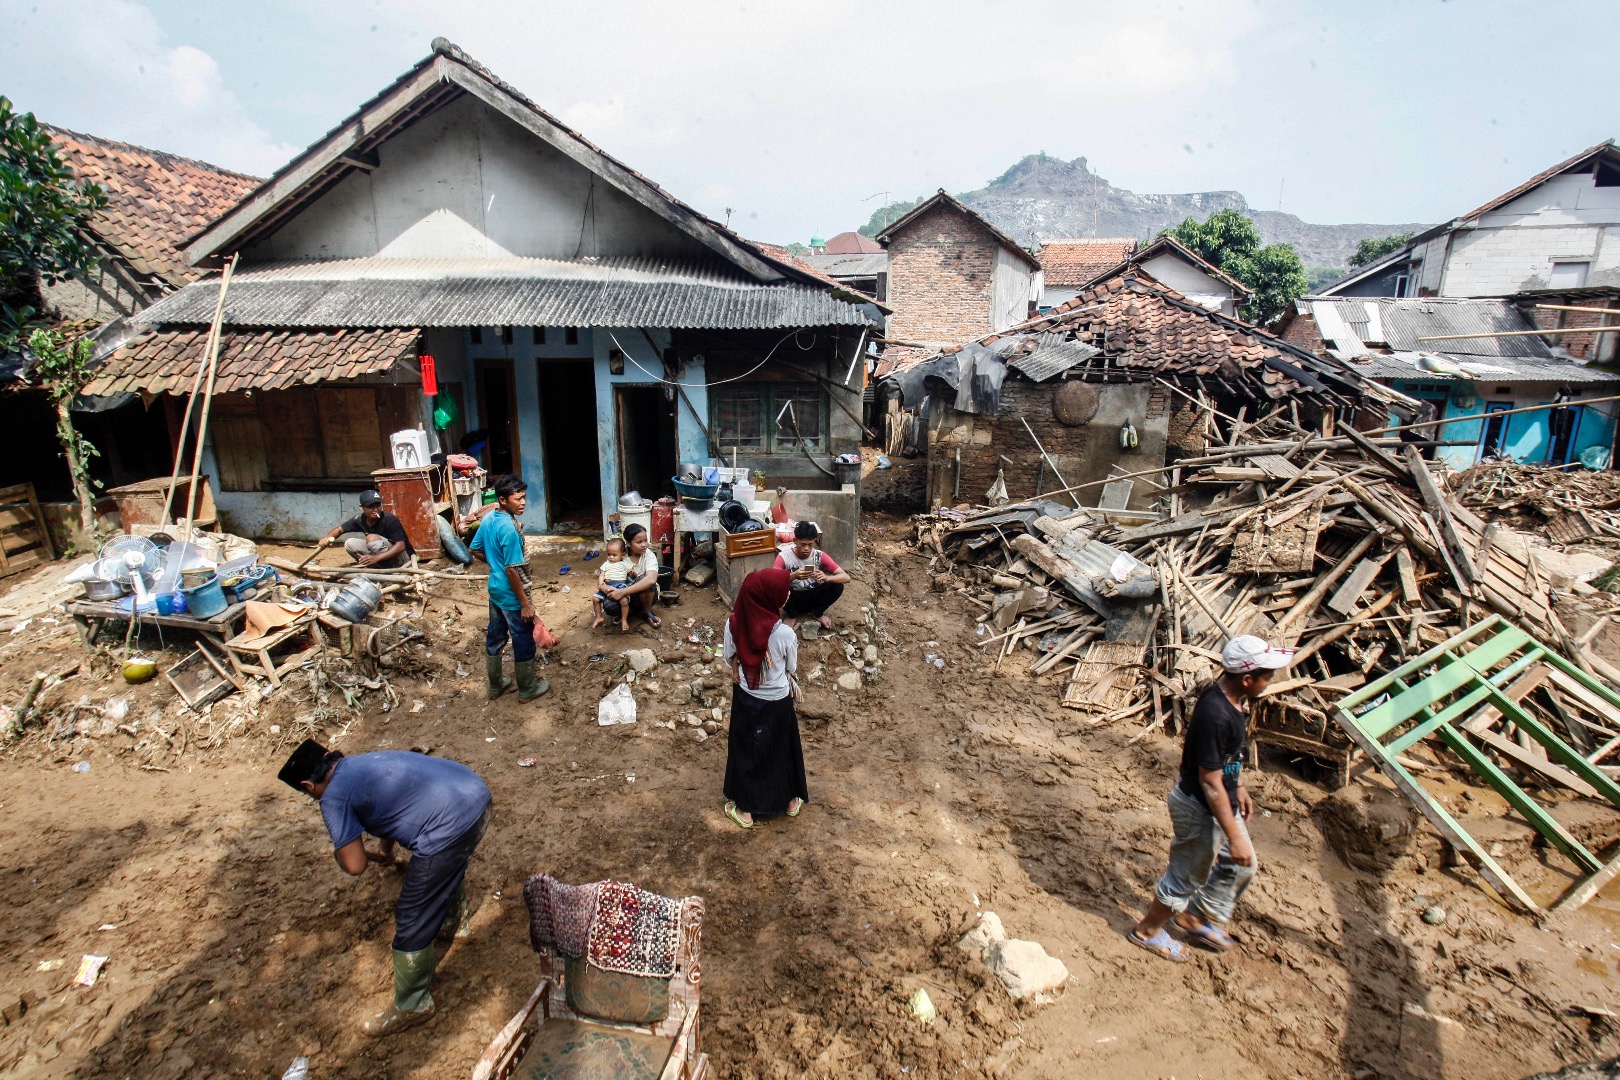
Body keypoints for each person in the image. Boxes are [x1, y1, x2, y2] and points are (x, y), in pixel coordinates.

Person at [278, 740, 491, 1036]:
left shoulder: (332, 798)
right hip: (474, 794)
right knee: (438, 870)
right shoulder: (363, 762)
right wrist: (386, 849)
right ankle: (454, 924)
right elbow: (388, 804)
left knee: (412, 912)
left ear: (307, 786)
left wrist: (340, 852)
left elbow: (354, 865)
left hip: (452, 822)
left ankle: (413, 1003)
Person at [1129, 635, 1292, 962]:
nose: (1270, 681)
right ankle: (1146, 932)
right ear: (1247, 678)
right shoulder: (1216, 714)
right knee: (1185, 877)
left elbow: (1226, 758)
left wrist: (1240, 786)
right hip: (1200, 808)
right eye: (1267, 675)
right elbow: (1210, 781)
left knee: (1241, 866)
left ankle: (1195, 917)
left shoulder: (1235, 702)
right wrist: (1234, 836)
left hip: (1219, 803)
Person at [721, 567, 808, 828]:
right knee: (783, 748)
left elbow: (729, 659)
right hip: (779, 702)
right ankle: (791, 800)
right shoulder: (785, 634)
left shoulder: (734, 623)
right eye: (783, 591)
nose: (787, 593)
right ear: (770, 598)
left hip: (747, 698)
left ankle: (746, 811)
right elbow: (791, 667)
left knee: (747, 749)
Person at [469, 476, 547, 701]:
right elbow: (513, 570)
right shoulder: (510, 531)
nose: (523, 503)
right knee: (522, 639)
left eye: (524, 497)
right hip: (513, 595)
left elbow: (475, 549)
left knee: (495, 636)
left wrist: (495, 564)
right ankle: (527, 689)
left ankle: (495, 686)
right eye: (518, 499)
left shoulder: (488, 519)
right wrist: (525, 604)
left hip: (495, 590)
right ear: (503, 500)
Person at [774, 521, 851, 630]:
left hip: (813, 596)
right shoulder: (784, 556)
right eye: (803, 544)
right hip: (793, 598)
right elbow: (772, 581)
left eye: (810, 544)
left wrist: (827, 578)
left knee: (837, 586)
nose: (806, 549)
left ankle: (817, 613)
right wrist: (793, 576)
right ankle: (792, 615)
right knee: (779, 587)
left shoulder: (819, 556)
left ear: (814, 542)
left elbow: (846, 577)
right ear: (795, 541)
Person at [317, 490, 413, 569]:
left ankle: (391, 568)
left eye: (378, 505)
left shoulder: (389, 519)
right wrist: (328, 537)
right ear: (361, 507)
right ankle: (377, 566)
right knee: (349, 543)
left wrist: (377, 557)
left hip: (403, 557)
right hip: (382, 556)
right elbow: (339, 529)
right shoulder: (359, 519)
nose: (376, 509)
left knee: (371, 537)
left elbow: (401, 546)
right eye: (371, 506)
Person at [598, 523, 662, 629]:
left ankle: (647, 611)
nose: (644, 545)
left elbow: (651, 579)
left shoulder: (648, 555)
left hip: (645, 595)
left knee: (644, 580)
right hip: (624, 596)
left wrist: (622, 592)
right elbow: (605, 577)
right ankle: (628, 612)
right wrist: (605, 587)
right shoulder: (618, 554)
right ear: (628, 543)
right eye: (639, 542)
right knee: (609, 606)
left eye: (645, 540)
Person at [590, 536, 635, 631]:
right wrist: (600, 583)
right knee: (595, 598)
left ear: (622, 554)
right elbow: (602, 574)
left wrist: (632, 573)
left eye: (614, 555)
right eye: (609, 554)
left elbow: (632, 575)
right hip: (607, 585)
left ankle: (624, 619)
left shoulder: (624, 563)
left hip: (620, 585)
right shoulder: (606, 564)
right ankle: (599, 616)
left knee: (624, 601)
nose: (611, 557)